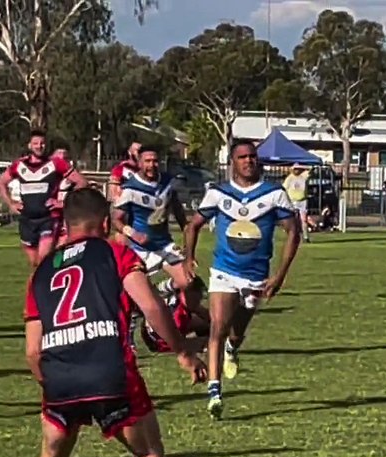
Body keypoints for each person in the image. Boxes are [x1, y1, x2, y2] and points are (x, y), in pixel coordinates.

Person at [0, 187, 206, 457]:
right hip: (109, 374)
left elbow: (33, 351)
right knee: (149, 454)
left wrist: (53, 385)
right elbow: (152, 307)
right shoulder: (116, 253)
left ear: (65, 227)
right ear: (105, 223)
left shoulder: (41, 271)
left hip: (60, 378)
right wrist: (183, 353)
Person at [184, 141, 301, 419]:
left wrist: (280, 275)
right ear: (232, 162)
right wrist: (188, 257)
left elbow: (293, 233)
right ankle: (214, 392)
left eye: (252, 156)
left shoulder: (274, 194)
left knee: (236, 332)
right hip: (223, 272)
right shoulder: (218, 193)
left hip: (256, 277)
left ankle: (232, 349)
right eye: (242, 157)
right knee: (218, 327)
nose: (249, 161)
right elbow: (193, 225)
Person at [0, 131, 87, 267]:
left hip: (48, 218)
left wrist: (63, 202)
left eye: (42, 143)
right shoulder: (19, 165)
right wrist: (11, 204)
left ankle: (49, 284)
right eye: (35, 143)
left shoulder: (56, 164)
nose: (39, 146)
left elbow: (82, 182)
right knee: (35, 263)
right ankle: (41, 285)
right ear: (29, 145)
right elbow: (1, 183)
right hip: (26, 219)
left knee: (44, 259)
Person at [111, 145, 193, 294]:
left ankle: (162, 291)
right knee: (134, 294)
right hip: (140, 249)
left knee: (188, 282)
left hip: (165, 245)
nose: (151, 165)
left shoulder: (168, 182)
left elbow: (177, 208)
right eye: (147, 161)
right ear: (139, 163)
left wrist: (186, 231)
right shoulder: (130, 188)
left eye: (155, 161)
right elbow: (116, 220)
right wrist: (133, 234)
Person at [282, 164, 311, 241]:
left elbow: (310, 169)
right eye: (295, 169)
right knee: (292, 219)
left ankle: (305, 236)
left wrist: (303, 166)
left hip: (302, 201)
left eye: (298, 169)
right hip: (292, 201)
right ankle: (292, 235)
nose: (297, 170)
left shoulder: (304, 176)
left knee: (303, 219)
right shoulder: (289, 178)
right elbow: (284, 188)